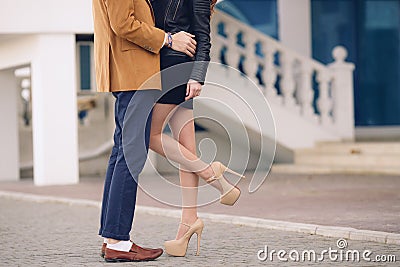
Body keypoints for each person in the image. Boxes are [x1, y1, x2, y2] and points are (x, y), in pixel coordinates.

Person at [92, 0, 198, 262]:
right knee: (131, 154)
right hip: (135, 73)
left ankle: (112, 237)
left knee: (122, 153)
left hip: (131, 72)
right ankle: (118, 241)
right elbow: (123, 24)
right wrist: (168, 39)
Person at [149, 0, 245, 257]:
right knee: (186, 149)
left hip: (174, 66)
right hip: (167, 62)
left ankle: (212, 175)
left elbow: (203, 36)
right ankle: (188, 222)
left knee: (150, 136)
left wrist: (197, 76)